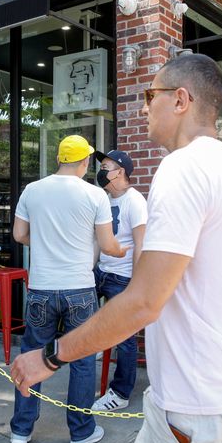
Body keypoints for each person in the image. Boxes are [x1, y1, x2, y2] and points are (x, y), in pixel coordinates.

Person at [11, 54, 222, 443]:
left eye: (151, 95)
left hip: (196, 409)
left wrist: (50, 356)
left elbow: (146, 300)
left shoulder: (184, 168)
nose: (143, 107)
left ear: (181, 99)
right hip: (207, 400)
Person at [9, 134, 126, 443]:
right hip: (79, 290)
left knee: (33, 355)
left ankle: (21, 430)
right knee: (83, 359)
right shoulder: (94, 195)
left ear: (60, 159)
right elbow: (107, 245)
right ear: (85, 161)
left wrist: (47, 242)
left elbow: (20, 234)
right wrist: (123, 249)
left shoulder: (32, 190)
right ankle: (81, 432)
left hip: (41, 289)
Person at [90, 149, 147, 412]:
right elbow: (96, 241)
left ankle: (120, 393)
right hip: (101, 271)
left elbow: (140, 245)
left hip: (122, 276)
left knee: (125, 337)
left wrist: (136, 286)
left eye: (106, 166)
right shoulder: (103, 199)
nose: (101, 171)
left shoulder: (135, 202)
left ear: (120, 171)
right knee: (82, 318)